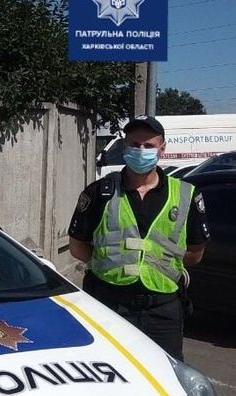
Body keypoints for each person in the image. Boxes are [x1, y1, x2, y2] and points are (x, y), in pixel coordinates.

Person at [69, 115, 208, 361]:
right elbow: (78, 247)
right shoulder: (99, 192)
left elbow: (195, 253)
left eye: (148, 145)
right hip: (110, 305)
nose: (141, 150)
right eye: (134, 144)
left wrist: (159, 265)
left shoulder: (186, 194)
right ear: (125, 147)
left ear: (162, 149)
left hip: (162, 310)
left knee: (165, 373)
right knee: (109, 370)